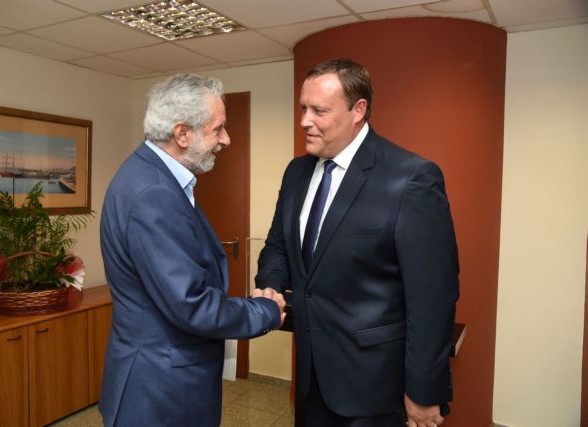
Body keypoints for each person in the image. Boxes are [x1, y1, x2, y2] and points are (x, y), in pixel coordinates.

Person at [256, 58, 459, 427]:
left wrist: (425, 389)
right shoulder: (297, 172)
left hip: (374, 387)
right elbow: (278, 247)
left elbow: (433, 297)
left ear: (358, 110)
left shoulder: (410, 178)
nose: (305, 121)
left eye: (319, 110)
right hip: (311, 378)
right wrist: (270, 285)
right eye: (303, 108)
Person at [99, 73, 286, 427]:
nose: (226, 140)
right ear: (182, 133)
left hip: (158, 377)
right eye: (219, 129)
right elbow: (192, 305)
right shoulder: (154, 194)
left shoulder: (147, 174)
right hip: (161, 390)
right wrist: (264, 311)